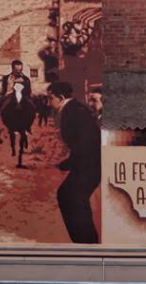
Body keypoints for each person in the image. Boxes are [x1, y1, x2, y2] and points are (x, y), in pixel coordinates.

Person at [49, 81, 101, 244]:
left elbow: (86, 142)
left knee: (70, 196)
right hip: (88, 161)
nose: (48, 102)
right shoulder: (73, 109)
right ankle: (86, 240)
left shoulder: (73, 112)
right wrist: (68, 162)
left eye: (50, 98)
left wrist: (69, 163)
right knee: (71, 196)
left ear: (61, 97)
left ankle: (86, 242)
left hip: (91, 163)